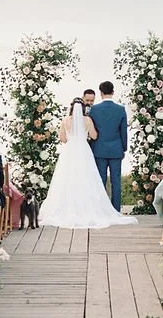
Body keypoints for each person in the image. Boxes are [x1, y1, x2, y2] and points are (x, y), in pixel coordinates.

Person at [37, 98, 137, 229]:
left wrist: (72, 137)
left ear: (72, 108)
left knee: (67, 179)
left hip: (69, 152)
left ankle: (68, 208)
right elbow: (94, 136)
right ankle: (88, 207)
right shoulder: (87, 120)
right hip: (84, 151)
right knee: (86, 179)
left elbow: (63, 139)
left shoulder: (65, 120)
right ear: (83, 108)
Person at [89, 81, 129, 212]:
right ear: (113, 92)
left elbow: (92, 130)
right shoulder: (120, 109)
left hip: (99, 149)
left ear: (100, 93)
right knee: (116, 182)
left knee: (100, 181)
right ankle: (116, 210)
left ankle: (101, 210)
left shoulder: (94, 109)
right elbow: (123, 131)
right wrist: (123, 148)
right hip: (116, 149)